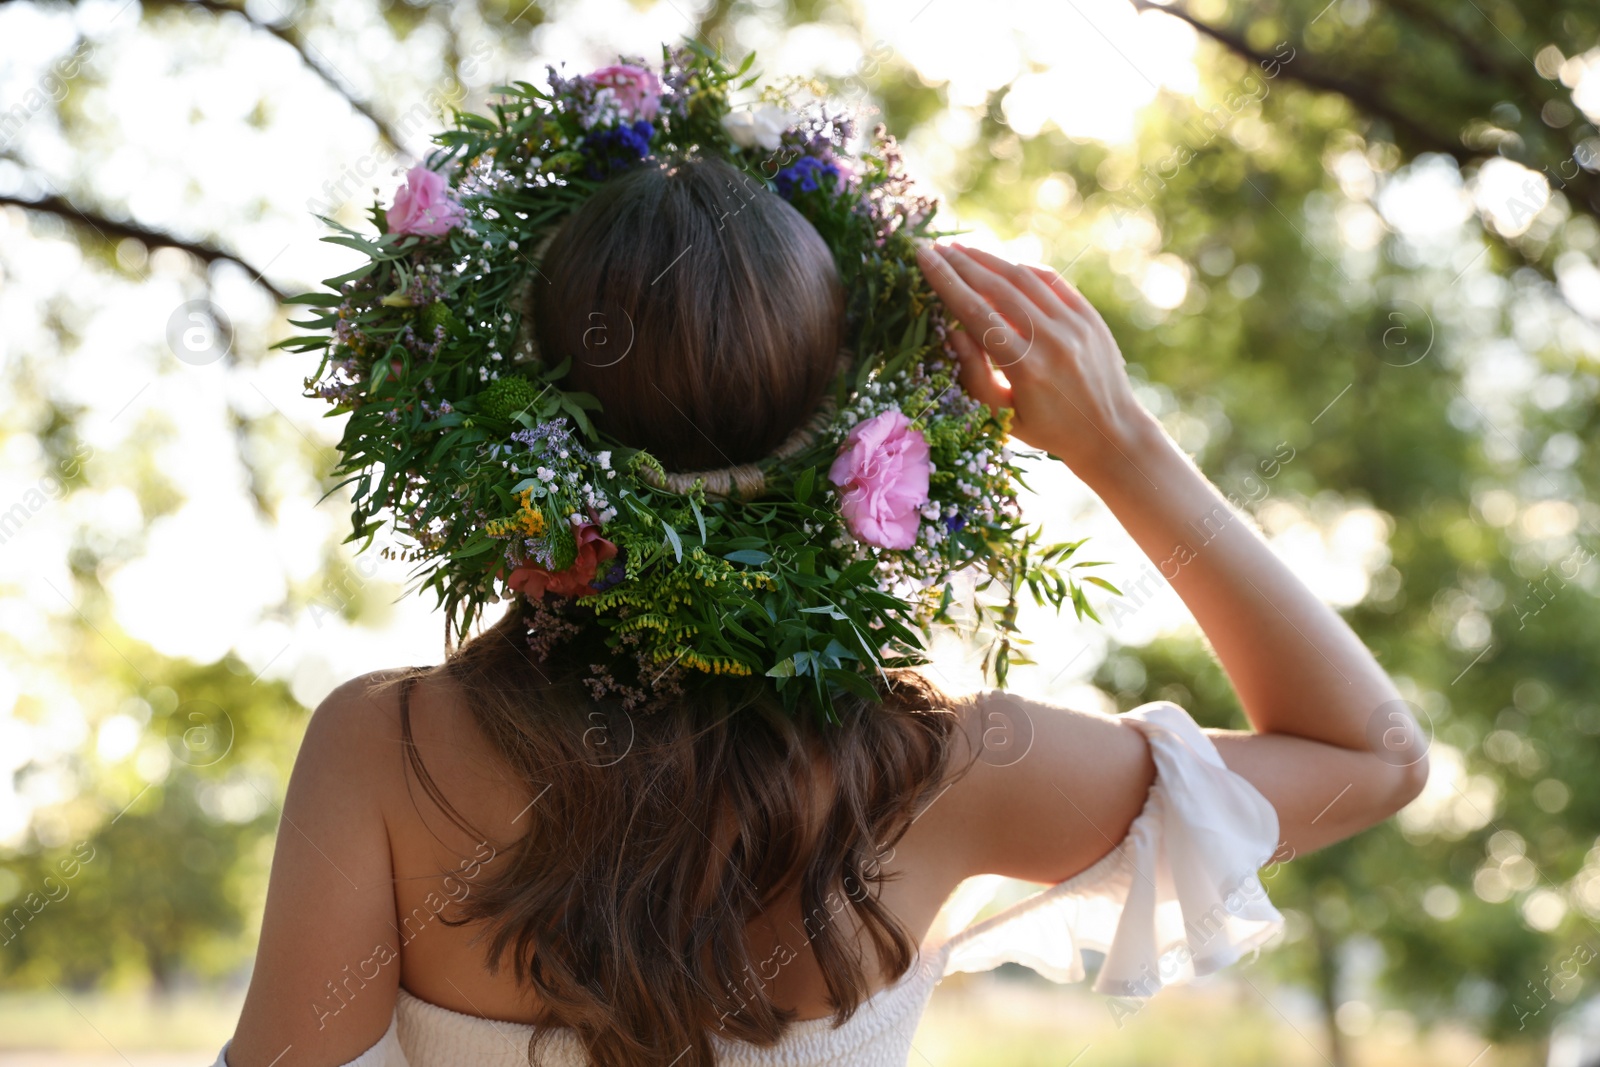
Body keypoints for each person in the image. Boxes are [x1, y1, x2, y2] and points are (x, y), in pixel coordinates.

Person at [215, 157, 1429, 1067]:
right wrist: (1119, 441)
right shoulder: (952, 766)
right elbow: (1370, 757)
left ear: (530, 408)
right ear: (848, 415)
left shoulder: (386, 750)